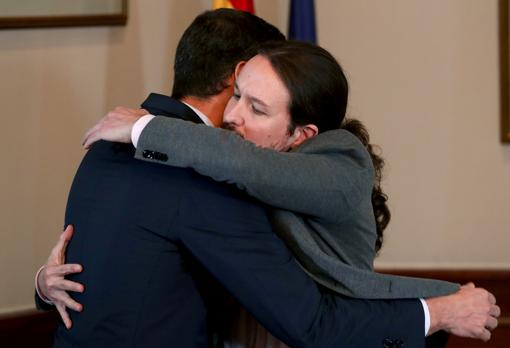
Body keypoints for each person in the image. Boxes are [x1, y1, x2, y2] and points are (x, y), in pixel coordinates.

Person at [36, 9, 499, 348]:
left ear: (303, 133)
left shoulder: (110, 143)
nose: (237, 117)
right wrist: (45, 283)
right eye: (240, 97)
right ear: (236, 75)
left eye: (257, 106)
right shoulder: (189, 169)